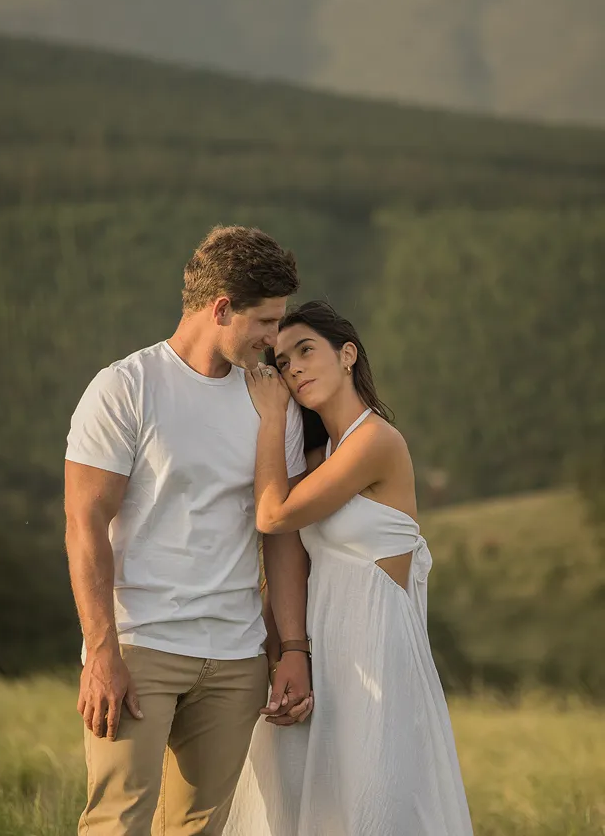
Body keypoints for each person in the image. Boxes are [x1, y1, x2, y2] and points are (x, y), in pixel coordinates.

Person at [64, 226, 313, 836]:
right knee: (116, 823)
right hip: (140, 646)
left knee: (199, 831)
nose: (273, 340)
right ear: (222, 307)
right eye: (265, 321)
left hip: (235, 657)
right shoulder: (127, 388)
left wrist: (292, 649)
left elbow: (280, 534)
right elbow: (84, 521)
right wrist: (101, 651)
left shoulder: (269, 401)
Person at [224, 300, 474, 836]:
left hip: (376, 651)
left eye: (306, 350)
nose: (293, 368)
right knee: (313, 806)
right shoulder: (321, 459)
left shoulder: (377, 442)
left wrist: (271, 417)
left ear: (347, 355)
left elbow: (272, 514)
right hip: (325, 648)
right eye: (283, 359)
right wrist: (285, 654)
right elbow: (290, 554)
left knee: (376, 801)